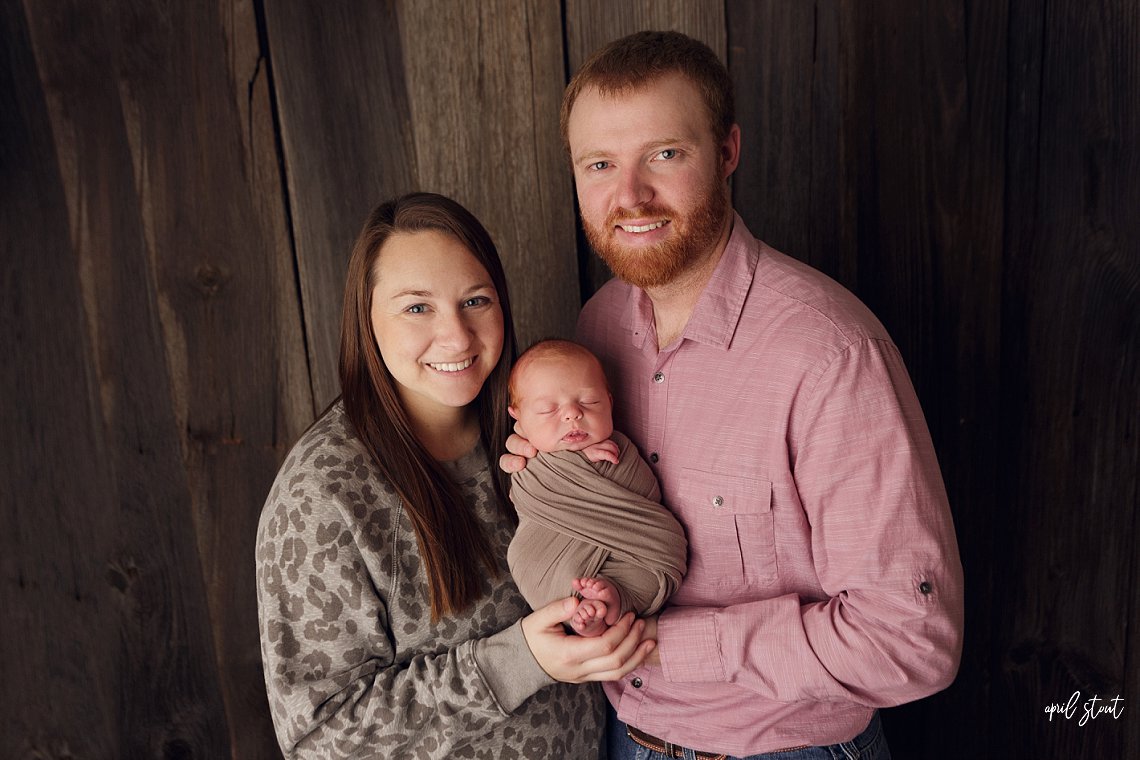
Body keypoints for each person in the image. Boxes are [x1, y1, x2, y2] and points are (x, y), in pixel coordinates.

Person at [503, 31, 965, 758]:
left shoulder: (829, 354)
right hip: (624, 740)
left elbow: (913, 640)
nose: (629, 197)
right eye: (599, 164)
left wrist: (667, 645)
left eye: (664, 154)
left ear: (726, 152)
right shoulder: (597, 331)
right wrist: (546, 473)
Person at [255, 192, 655, 760]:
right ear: (366, 319)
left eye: (475, 300)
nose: (458, 336)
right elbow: (321, 738)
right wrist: (521, 662)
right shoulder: (324, 494)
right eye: (417, 307)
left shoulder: (535, 435)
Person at [505, 338, 687, 637]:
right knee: (530, 561)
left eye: (589, 402)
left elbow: (645, 493)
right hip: (553, 562)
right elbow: (531, 492)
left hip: (637, 557)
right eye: (548, 410)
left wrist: (584, 463)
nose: (572, 414)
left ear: (610, 402)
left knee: (644, 579)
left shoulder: (621, 450)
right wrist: (569, 462)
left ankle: (611, 601)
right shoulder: (528, 460)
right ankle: (592, 608)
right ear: (519, 419)